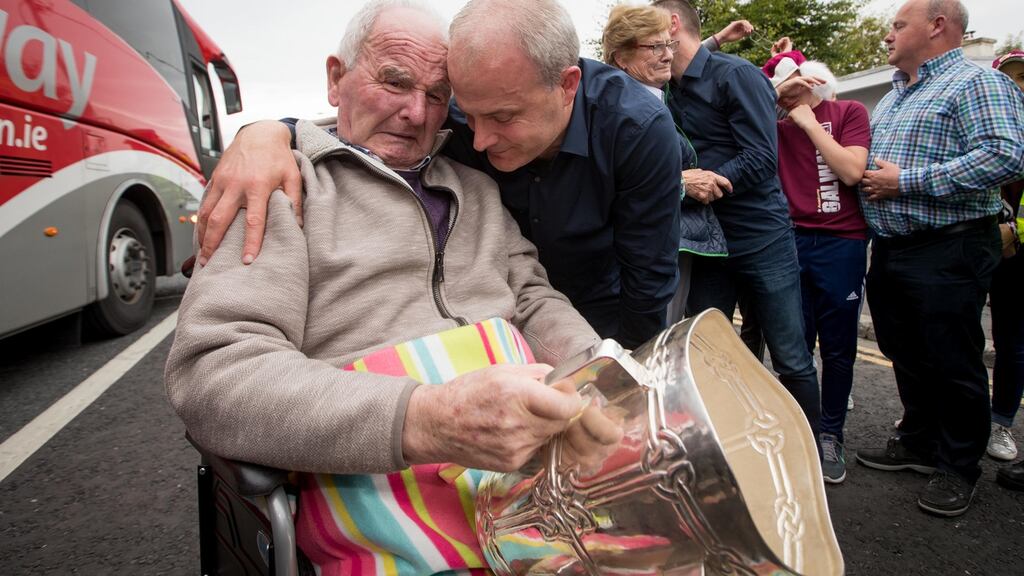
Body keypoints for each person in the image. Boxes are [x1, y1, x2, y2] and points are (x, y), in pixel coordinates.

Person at [164, 2, 618, 572]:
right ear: (336, 79)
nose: (414, 112)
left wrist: (602, 372)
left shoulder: (475, 187)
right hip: (384, 488)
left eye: (437, 95)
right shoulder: (279, 187)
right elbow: (213, 372)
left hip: (535, 471)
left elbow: (531, 299)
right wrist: (427, 418)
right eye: (395, 82)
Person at [194, 0, 687, 350]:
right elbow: (224, 359)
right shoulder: (280, 183)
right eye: (466, 115)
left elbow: (641, 280)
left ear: (566, 87)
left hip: (592, 307)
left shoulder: (635, 130)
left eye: (435, 96)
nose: (477, 141)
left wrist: (620, 377)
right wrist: (262, 134)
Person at [853, 0, 1024, 517]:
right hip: (892, 247)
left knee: (952, 357)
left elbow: (1004, 154)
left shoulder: (978, 84)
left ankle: (958, 465)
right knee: (903, 348)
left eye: (898, 25)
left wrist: (905, 181)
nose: (888, 34)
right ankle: (920, 442)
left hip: (950, 244)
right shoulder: (893, 96)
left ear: (937, 26)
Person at [651, 0, 821, 443]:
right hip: (710, 245)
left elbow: (763, 157)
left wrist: (709, 181)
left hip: (762, 239)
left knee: (791, 358)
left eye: (650, 27)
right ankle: (729, 450)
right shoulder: (672, 86)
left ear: (670, 25)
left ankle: (812, 450)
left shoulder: (737, 75)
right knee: (707, 356)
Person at [600, 4, 742, 323]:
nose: (667, 55)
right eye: (655, 46)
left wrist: (717, 39)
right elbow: (606, 180)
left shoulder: (652, 91)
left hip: (672, 245)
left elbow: (680, 59)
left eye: (670, 44)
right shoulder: (615, 109)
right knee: (648, 341)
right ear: (621, 57)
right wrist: (682, 183)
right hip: (642, 254)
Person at [771, 58, 872, 485]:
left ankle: (830, 434)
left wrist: (809, 121)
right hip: (791, 240)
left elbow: (851, 171)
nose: (788, 90)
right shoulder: (775, 125)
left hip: (842, 243)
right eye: (780, 86)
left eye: (795, 82)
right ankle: (799, 432)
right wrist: (780, 101)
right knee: (795, 349)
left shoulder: (849, 113)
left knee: (837, 348)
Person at [989, 49, 1024, 488]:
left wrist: (1013, 231)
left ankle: (1000, 421)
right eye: (1012, 77)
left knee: (1013, 341)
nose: (1019, 85)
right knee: (953, 331)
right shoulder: (987, 119)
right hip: (973, 243)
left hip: (1016, 253)